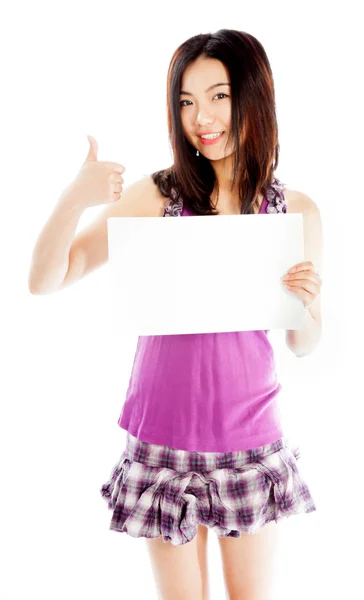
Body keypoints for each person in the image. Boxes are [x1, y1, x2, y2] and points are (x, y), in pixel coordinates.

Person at [28, 28, 323, 600]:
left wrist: (308, 304)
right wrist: (75, 196)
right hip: (163, 441)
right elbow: (47, 279)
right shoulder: (159, 196)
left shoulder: (294, 210)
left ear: (254, 96)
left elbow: (304, 343)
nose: (202, 117)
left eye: (219, 95)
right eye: (186, 101)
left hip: (250, 442)